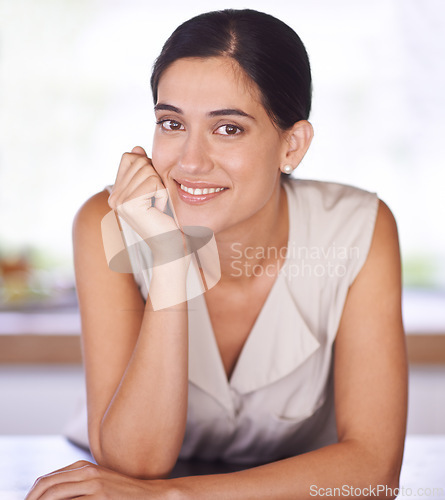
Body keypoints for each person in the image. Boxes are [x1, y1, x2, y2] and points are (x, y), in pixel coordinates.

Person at [26, 8, 408, 499]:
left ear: (291, 146)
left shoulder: (361, 229)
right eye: (171, 123)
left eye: (228, 128)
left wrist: (178, 496)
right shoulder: (109, 224)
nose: (189, 161)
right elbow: (133, 465)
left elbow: (375, 474)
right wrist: (169, 263)